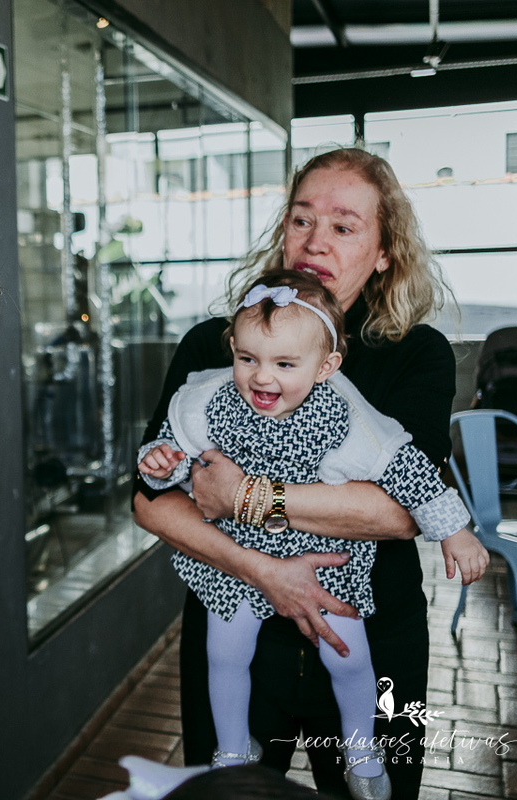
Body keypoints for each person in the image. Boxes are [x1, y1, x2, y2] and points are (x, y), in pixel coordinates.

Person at [134, 148, 459, 798]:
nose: (315, 241)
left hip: (375, 636)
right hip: (237, 632)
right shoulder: (216, 344)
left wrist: (244, 495)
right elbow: (149, 501)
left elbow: (397, 511)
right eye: (302, 219)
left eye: (344, 226)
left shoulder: (416, 355)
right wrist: (266, 572)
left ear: (386, 250)